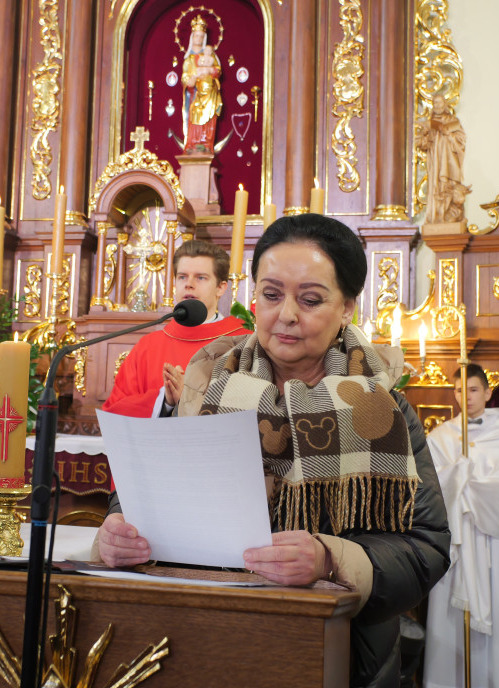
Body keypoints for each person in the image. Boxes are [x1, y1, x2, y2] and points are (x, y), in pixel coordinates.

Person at [97, 214, 451, 686]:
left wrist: (331, 559)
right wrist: (118, 526)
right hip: (196, 639)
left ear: (346, 307)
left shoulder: (382, 410)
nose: (285, 314)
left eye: (309, 299)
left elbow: (426, 547)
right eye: (270, 294)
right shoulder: (206, 389)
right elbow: (148, 490)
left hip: (336, 652)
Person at [423, 364, 499, 688]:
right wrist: (457, 476)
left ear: (488, 392)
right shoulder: (440, 436)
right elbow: (430, 486)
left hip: (487, 535)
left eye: (473, 390)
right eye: (458, 390)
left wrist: (470, 482)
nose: (464, 397)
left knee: (493, 612)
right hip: (455, 538)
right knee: (450, 619)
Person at [102, 240, 248, 417]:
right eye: (182, 277)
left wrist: (189, 399)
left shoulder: (244, 342)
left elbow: (253, 410)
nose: (189, 284)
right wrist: (165, 400)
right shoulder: (149, 346)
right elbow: (114, 410)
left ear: (220, 288)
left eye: (201, 277)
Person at [416, 93, 470, 225]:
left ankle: (447, 214)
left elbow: (461, 140)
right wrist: (426, 139)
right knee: (436, 189)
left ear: (445, 105)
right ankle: (436, 216)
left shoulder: (453, 121)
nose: (437, 106)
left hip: (448, 161)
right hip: (435, 164)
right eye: (435, 103)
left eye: (440, 103)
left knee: (448, 188)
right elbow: (421, 142)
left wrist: (449, 136)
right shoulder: (430, 123)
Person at [181, 17, 222, 155]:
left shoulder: (210, 56)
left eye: (201, 36)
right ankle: (193, 143)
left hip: (209, 92)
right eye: (196, 36)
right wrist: (191, 79)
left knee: (208, 118)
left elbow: (217, 70)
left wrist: (209, 70)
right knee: (194, 115)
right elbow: (185, 76)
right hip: (194, 94)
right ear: (192, 37)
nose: (198, 39)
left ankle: (205, 143)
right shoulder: (189, 59)